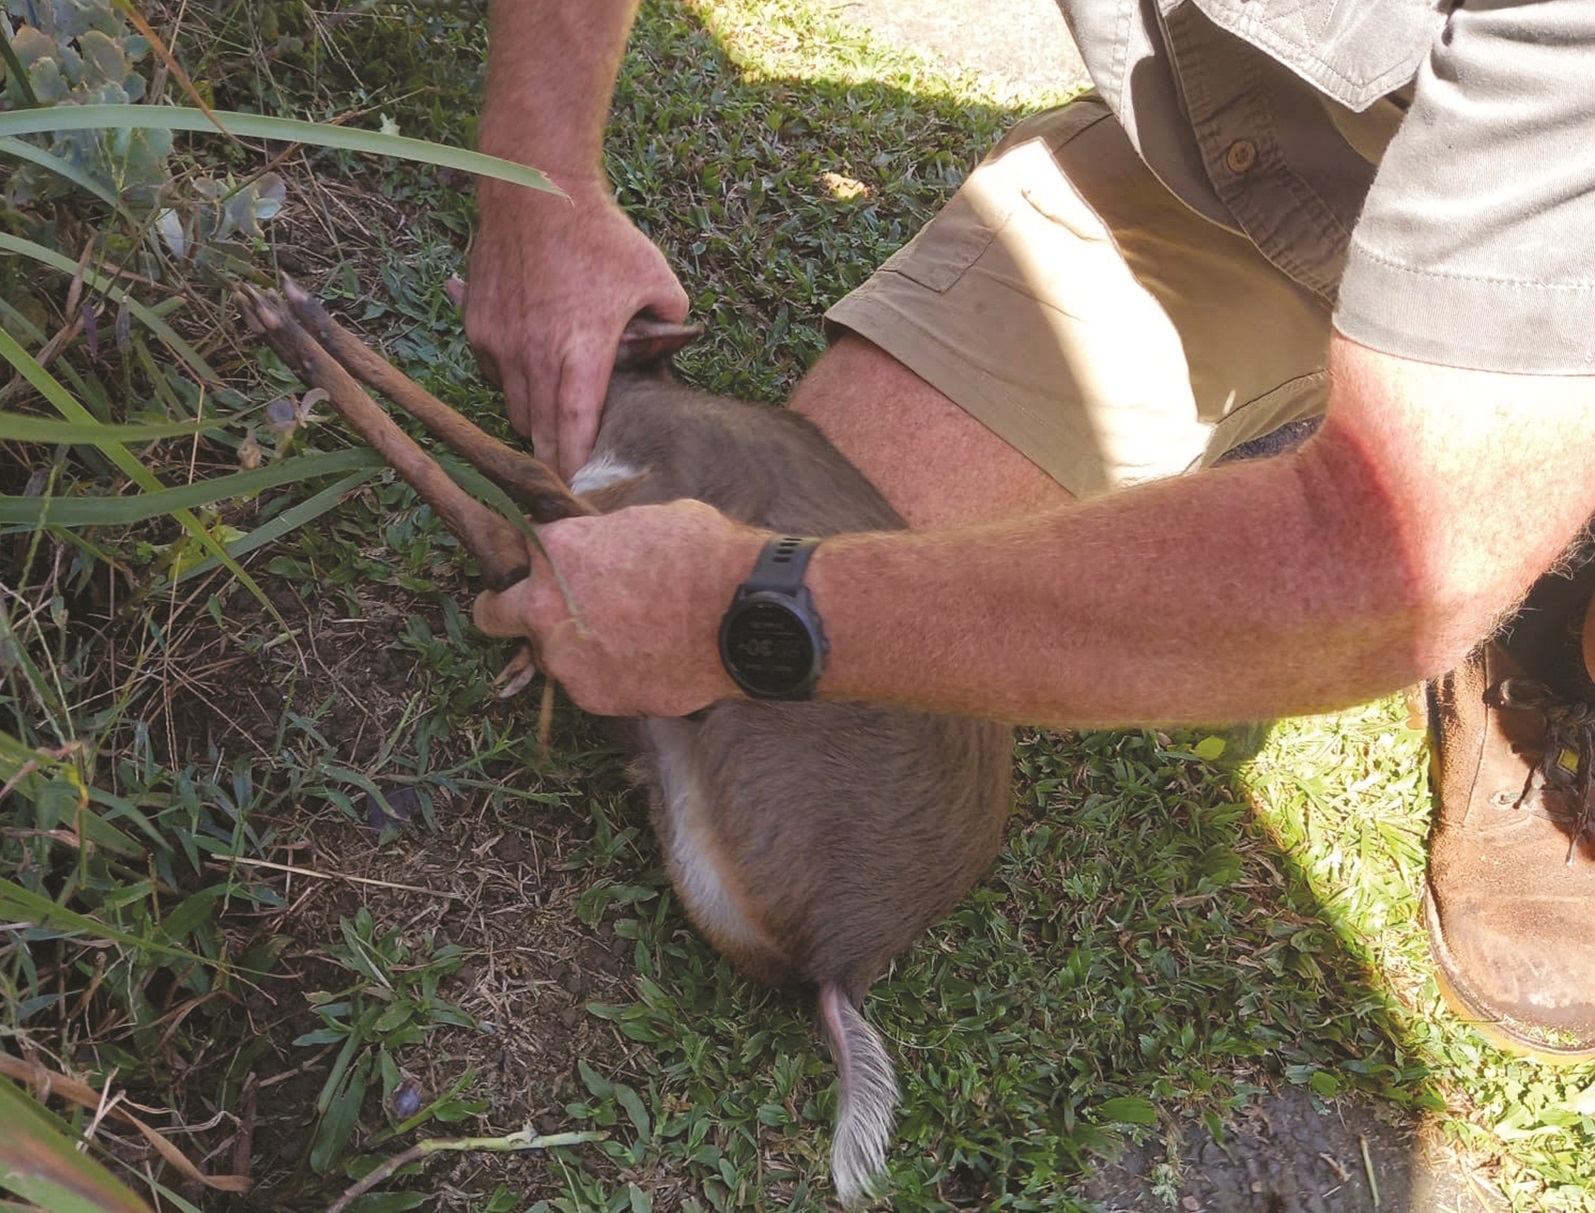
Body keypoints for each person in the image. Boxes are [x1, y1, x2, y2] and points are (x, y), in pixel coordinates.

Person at [464, 0, 1595, 1059]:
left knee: (822, 615)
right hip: (1266, 158)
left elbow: (1393, 561)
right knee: (847, 507)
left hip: (1555, 239)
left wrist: (746, 613)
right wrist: (540, 181)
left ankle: (1555, 598)